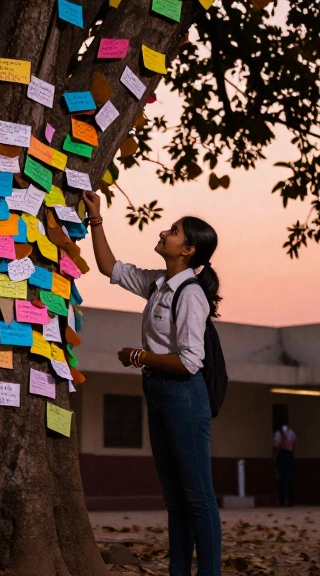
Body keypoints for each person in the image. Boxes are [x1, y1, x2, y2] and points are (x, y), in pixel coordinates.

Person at [83, 190, 222, 576]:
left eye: (174, 231)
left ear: (189, 250)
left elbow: (191, 362)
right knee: (175, 499)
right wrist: (97, 219)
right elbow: (109, 267)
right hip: (158, 392)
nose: (165, 231)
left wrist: (139, 356)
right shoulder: (158, 284)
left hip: (183, 396)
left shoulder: (191, 295)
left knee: (198, 497)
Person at [272, 420, 297, 507]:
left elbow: (276, 445)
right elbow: (294, 444)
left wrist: (274, 456)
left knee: (282, 478)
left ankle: (282, 501)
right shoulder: (291, 433)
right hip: (289, 455)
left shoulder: (279, 433)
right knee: (289, 478)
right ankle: (291, 501)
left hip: (282, 455)